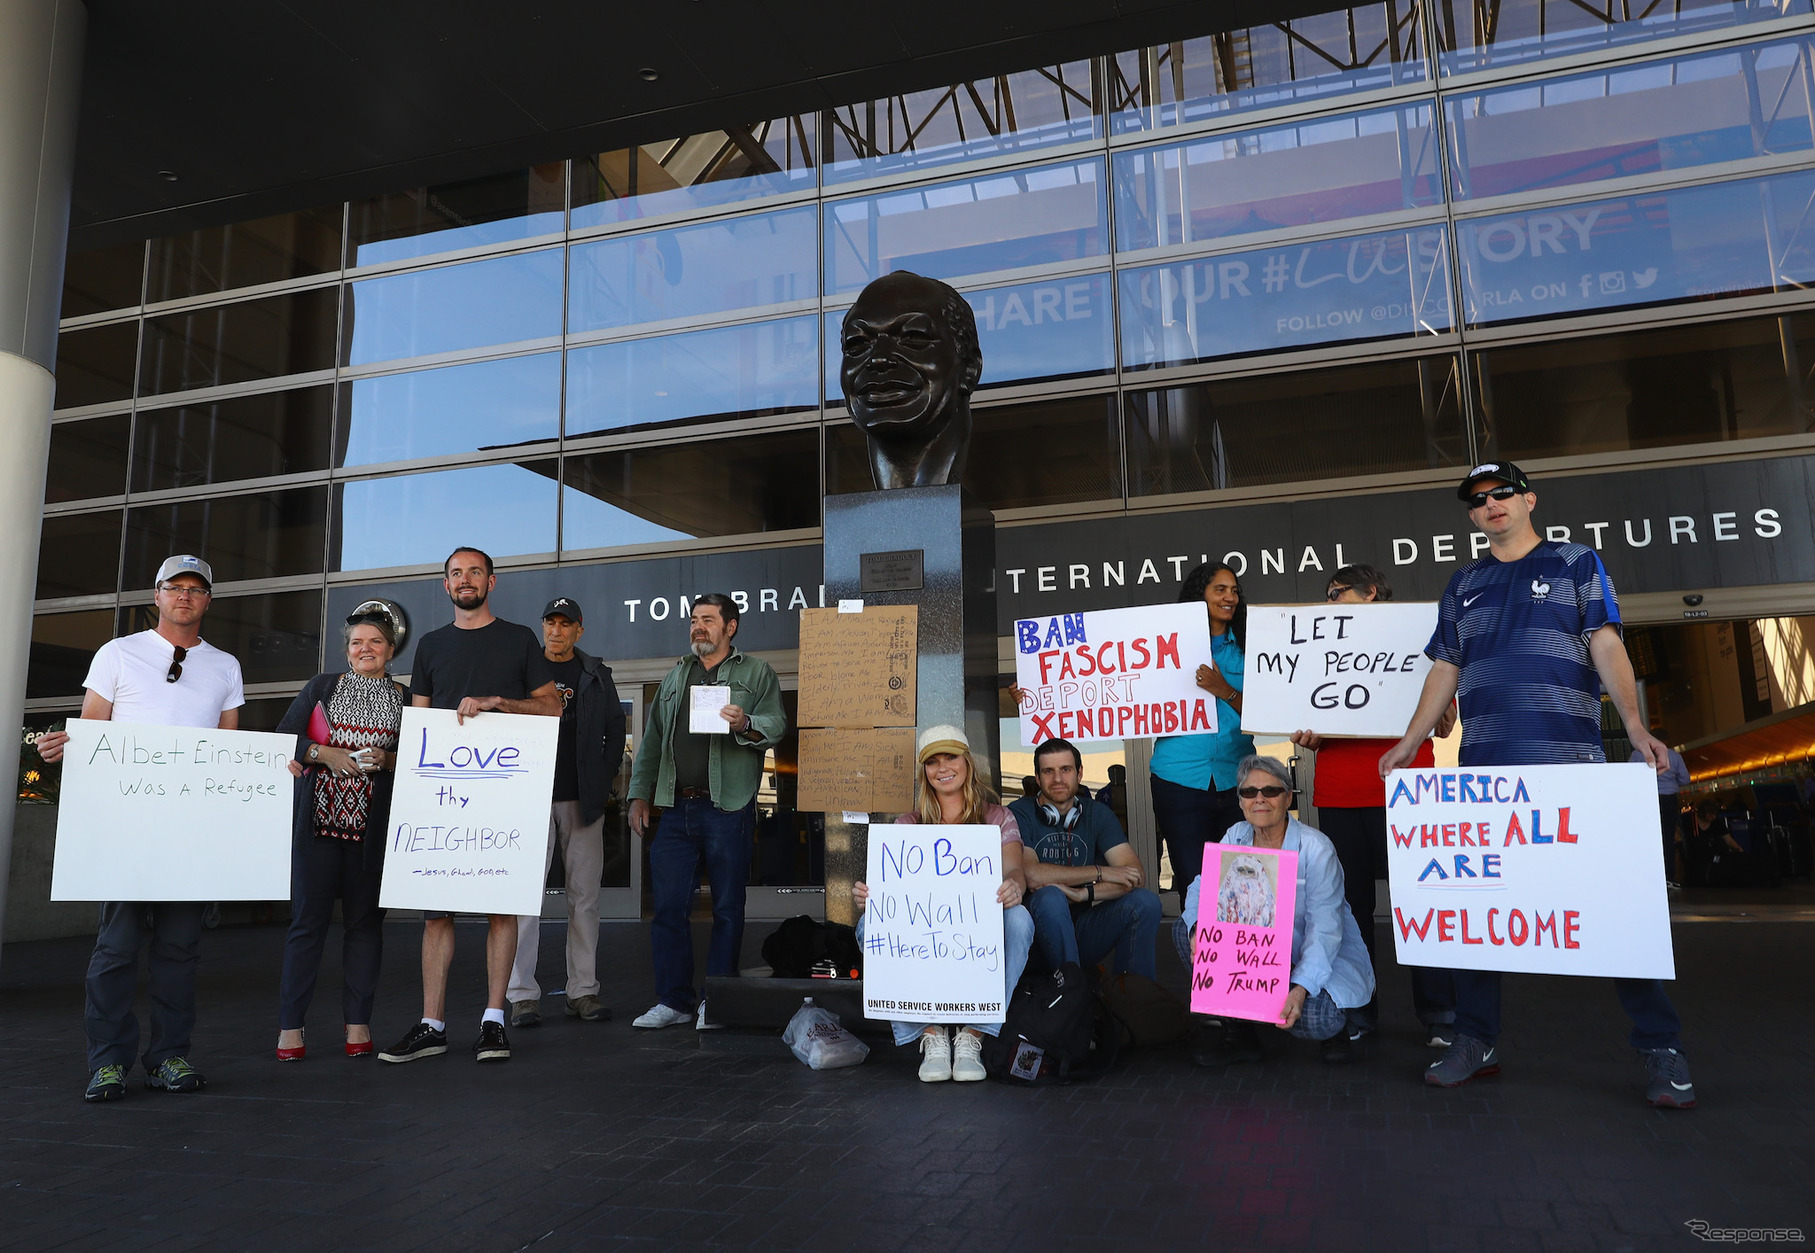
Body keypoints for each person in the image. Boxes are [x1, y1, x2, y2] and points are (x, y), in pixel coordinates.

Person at [1381, 461, 1696, 1107]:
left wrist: (1634, 726)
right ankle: (1476, 1039)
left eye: (1501, 493)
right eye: (1477, 499)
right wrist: (1411, 740)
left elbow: (1604, 642)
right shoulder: (1462, 581)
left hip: (1568, 770)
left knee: (1613, 911)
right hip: (1485, 774)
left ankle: (1660, 1047)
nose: (1490, 504)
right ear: (1471, 515)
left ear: (1527, 498)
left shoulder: (1576, 562)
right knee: (1473, 910)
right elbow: (1445, 665)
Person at [37, 555, 244, 1102]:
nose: (184, 596)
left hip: (188, 834)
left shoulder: (225, 666)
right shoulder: (119, 653)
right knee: (116, 949)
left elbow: (228, 753)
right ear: (156, 596)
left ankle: (169, 1057)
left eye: (196, 589)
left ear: (207, 600)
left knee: (179, 952)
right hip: (127, 832)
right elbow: (91, 729)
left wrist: (268, 768)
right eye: (174, 587)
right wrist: (66, 745)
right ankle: (107, 1062)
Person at [377, 548, 563, 1066]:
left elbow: (553, 706)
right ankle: (431, 1025)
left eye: (474, 572)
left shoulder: (519, 639)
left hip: (502, 794)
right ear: (446, 585)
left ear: (491, 582)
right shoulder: (431, 646)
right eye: (456, 573)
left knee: (501, 908)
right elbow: (416, 728)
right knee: (437, 914)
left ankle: (493, 1022)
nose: (465, 580)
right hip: (442, 797)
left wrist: (500, 703)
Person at [1288, 563, 1458, 1046]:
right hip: (1341, 793)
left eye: (1336, 593)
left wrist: (1429, 710)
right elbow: (1307, 724)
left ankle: (1441, 1015)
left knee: (1420, 904)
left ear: (1371, 594)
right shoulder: (1317, 649)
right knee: (1349, 909)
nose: (1328, 602)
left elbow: (1444, 723)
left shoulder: (1421, 640)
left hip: (1408, 790)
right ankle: (1358, 1011)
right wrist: (1308, 734)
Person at [627, 594, 787, 1030]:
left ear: (730, 627)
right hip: (676, 807)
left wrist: (745, 723)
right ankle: (674, 1002)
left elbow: (777, 724)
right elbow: (653, 742)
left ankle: (716, 1001)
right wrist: (639, 795)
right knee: (669, 908)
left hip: (727, 806)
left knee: (728, 908)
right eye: (695, 620)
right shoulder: (677, 674)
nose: (699, 627)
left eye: (708, 620)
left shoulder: (756, 672)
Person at [853, 725, 1035, 1082]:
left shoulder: (998, 816)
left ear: (967, 762)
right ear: (924, 772)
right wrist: (869, 896)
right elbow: (891, 889)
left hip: (977, 931)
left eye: (950, 757)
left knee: (1020, 920)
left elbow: (1015, 868)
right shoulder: (909, 822)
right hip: (927, 935)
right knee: (867, 926)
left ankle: (974, 1035)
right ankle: (929, 1034)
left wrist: (1014, 884)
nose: (942, 768)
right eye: (932, 762)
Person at [1176, 755, 1376, 1066]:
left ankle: (1337, 1027)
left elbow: (1325, 930)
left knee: (1316, 1019)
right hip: (1257, 959)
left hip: (1308, 955)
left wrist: (1299, 989)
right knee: (1184, 930)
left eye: (1270, 791)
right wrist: (1197, 931)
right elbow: (1201, 888)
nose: (1259, 799)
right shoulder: (1236, 835)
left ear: (1287, 798)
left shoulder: (1316, 849)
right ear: (1240, 801)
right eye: (1249, 792)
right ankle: (1240, 1031)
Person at [272, 611, 407, 1061]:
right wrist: (322, 753)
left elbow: (423, 757)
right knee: (306, 928)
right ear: (347, 650)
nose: (364, 648)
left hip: (373, 834)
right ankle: (291, 1029)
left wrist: (388, 761)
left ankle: (357, 1025)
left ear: (390, 649)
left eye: (375, 641)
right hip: (319, 830)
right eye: (356, 642)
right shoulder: (322, 687)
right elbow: (282, 738)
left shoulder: (406, 699)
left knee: (365, 928)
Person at [508, 597, 627, 1028]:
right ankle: (522, 996)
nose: (556, 631)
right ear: (543, 627)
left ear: (580, 629)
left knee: (585, 901)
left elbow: (616, 727)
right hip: (528, 800)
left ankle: (583, 992)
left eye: (565, 624)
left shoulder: (595, 674)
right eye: (550, 623)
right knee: (524, 902)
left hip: (582, 801)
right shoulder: (522, 671)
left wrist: (605, 771)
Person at [1010, 737, 1161, 981]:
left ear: (1079, 773)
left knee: (1145, 902)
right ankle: (1074, 993)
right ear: (1037, 778)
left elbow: (1134, 875)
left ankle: (1133, 1002)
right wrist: (1102, 872)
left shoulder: (1096, 813)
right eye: (1048, 771)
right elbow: (1032, 875)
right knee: (1050, 897)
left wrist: (1084, 894)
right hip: (1033, 937)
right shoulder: (1020, 812)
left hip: (1081, 928)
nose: (1057, 779)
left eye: (1065, 769)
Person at [1148, 563, 1255, 897]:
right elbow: (1117, 687)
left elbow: (1269, 710)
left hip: (1237, 778)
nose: (1230, 597)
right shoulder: (1162, 646)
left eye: (1234, 590)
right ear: (1200, 596)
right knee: (1194, 884)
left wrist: (1225, 690)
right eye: (1220, 589)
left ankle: (1241, 950)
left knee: (1241, 886)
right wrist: (1037, 695)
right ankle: (1197, 951)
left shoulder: (1253, 645)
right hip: (1178, 781)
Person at [1635, 743, 1691, 889]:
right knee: (1668, 838)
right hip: (1669, 799)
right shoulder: (1674, 756)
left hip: (1647, 799)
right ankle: (1669, 877)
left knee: (1647, 839)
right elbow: (1685, 779)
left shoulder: (1638, 754)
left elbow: (1631, 776)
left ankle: (1648, 877)